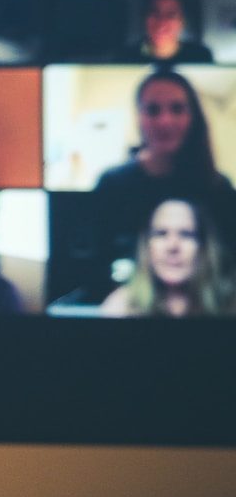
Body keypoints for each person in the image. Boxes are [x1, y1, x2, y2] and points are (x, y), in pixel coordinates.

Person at [94, 70, 234, 247]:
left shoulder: (218, 188)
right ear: (139, 117)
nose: (165, 121)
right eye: (153, 110)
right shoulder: (112, 185)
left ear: (193, 117)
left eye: (177, 109)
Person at [100, 197, 233, 317]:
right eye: (161, 234)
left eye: (186, 234)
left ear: (204, 247)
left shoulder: (230, 306)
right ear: (146, 246)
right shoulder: (120, 307)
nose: (172, 246)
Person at [115, 0, 214, 65]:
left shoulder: (201, 57)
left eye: (171, 15)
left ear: (182, 22)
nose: (161, 22)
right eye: (154, 12)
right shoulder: (125, 58)